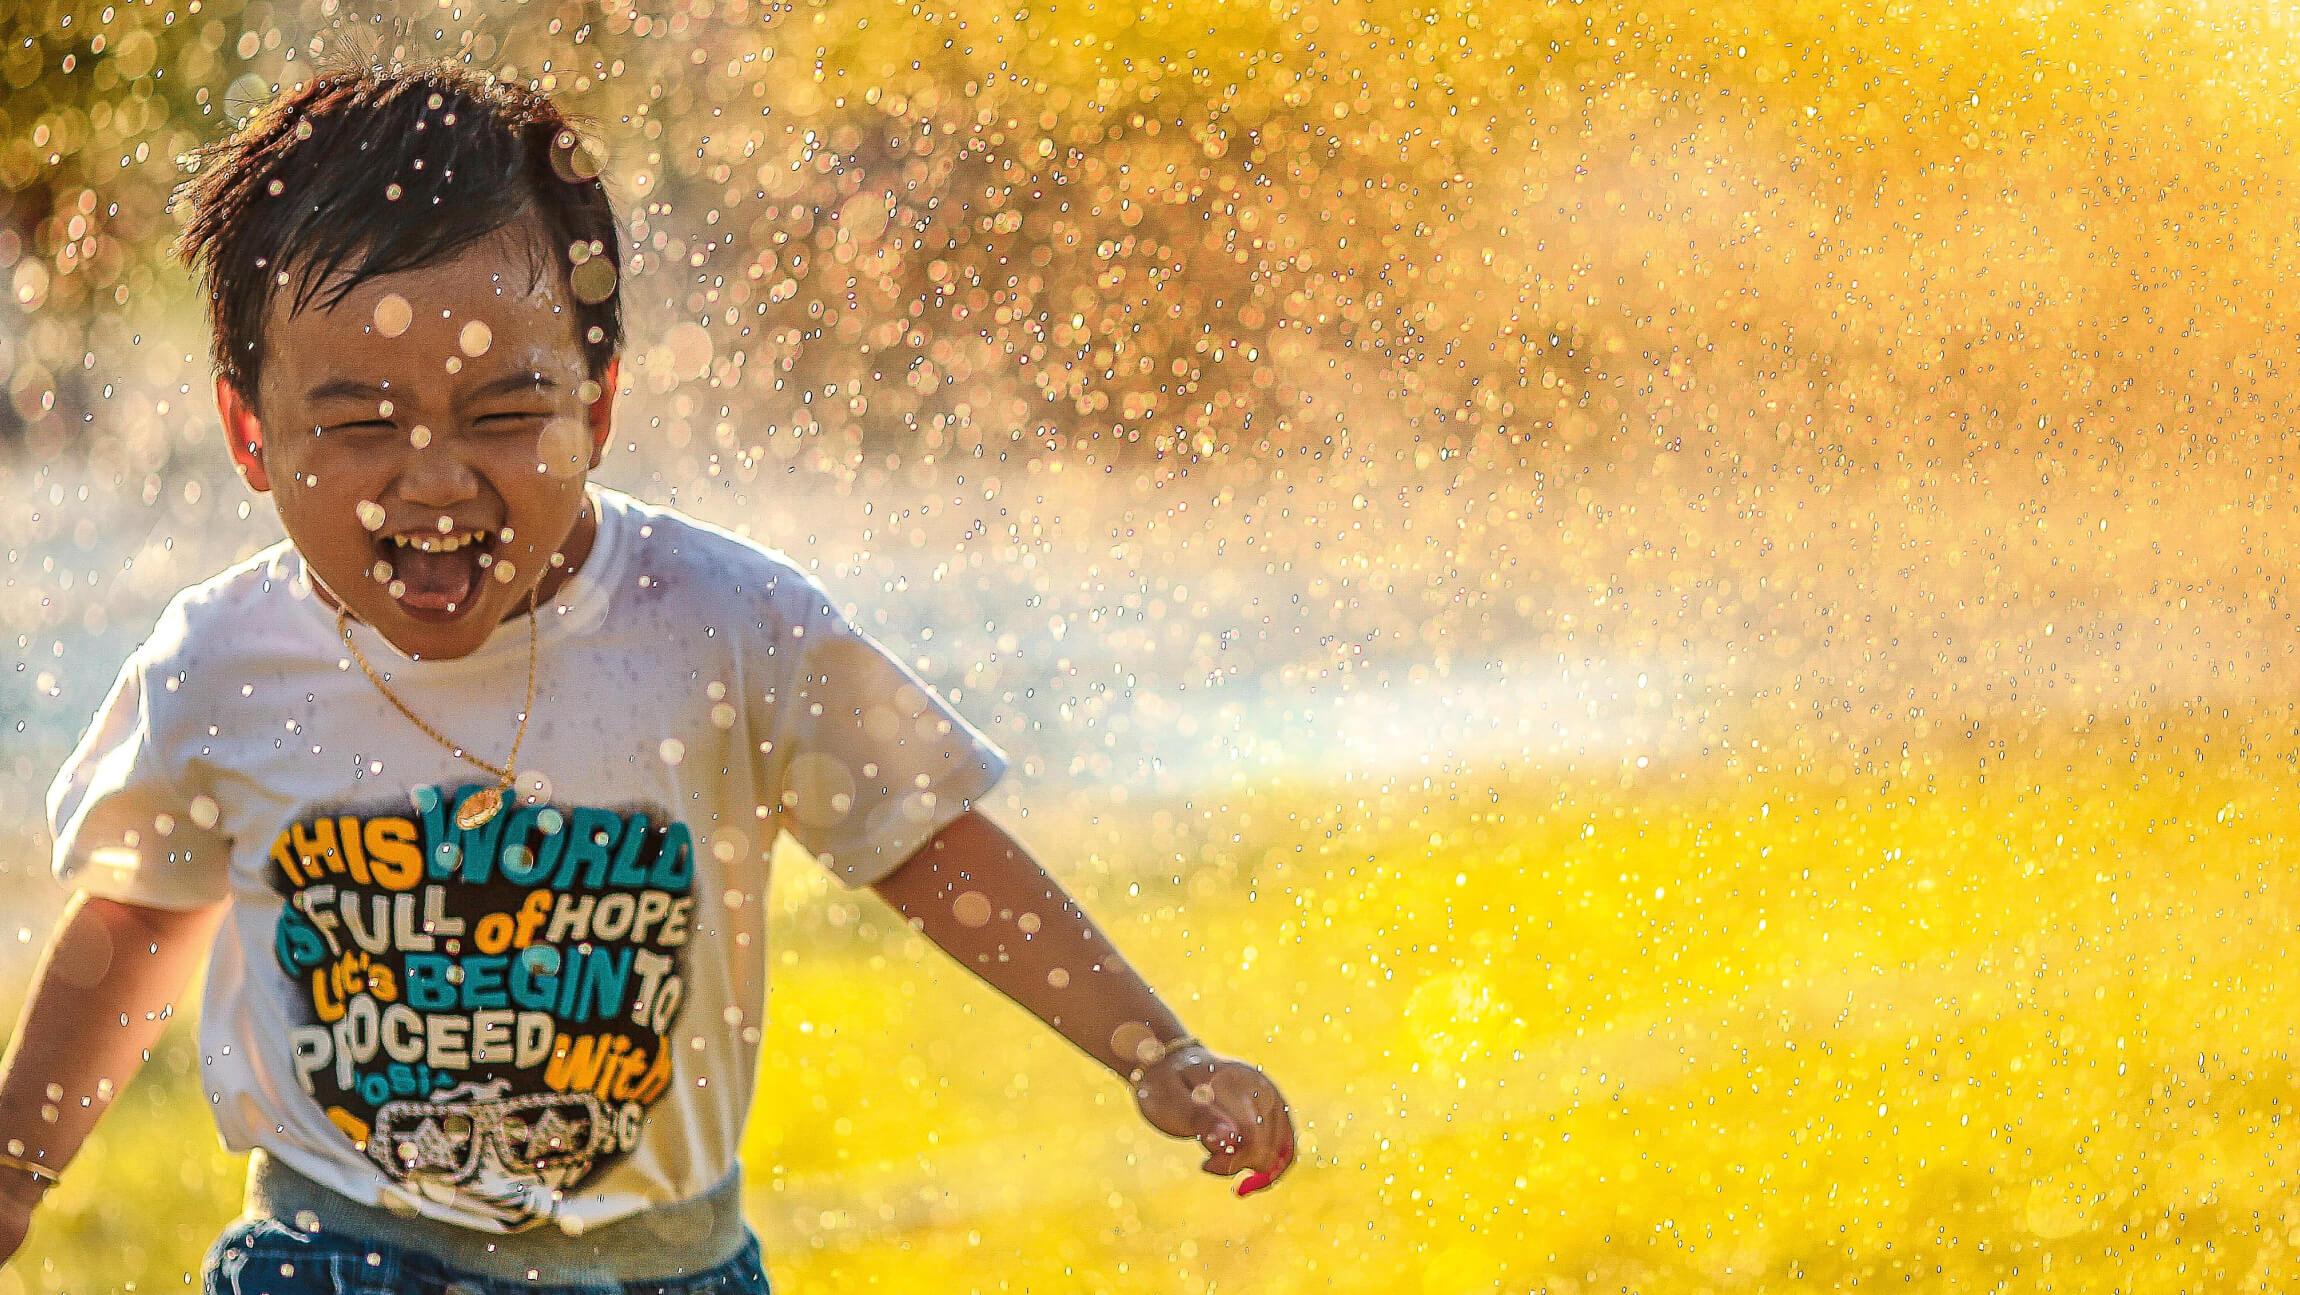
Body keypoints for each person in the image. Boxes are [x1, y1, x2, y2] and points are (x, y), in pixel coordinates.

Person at [0, 59, 1294, 1292]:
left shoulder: (726, 624)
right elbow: (138, 921)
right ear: (249, 432)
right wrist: (15, 1167)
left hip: (663, 1268)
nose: (436, 479)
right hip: (336, 1254)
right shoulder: (224, 663)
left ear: (599, 403)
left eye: (504, 415)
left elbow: (926, 841)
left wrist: (1154, 1049)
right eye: (356, 426)